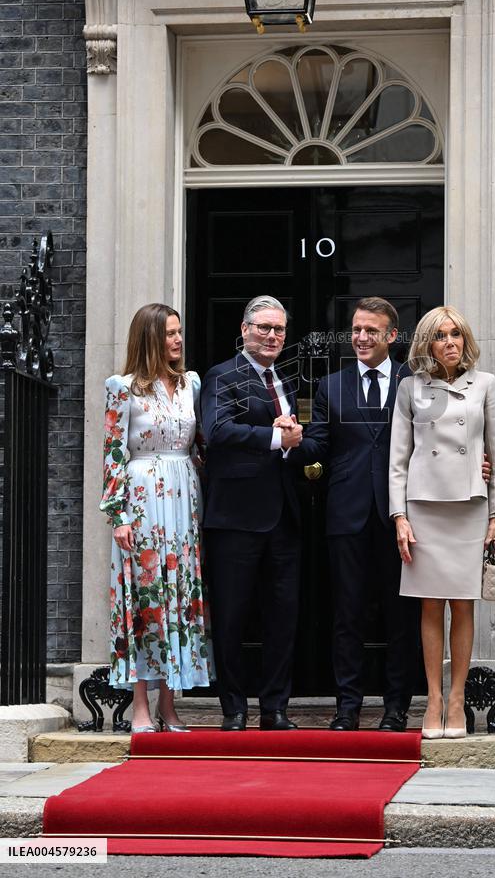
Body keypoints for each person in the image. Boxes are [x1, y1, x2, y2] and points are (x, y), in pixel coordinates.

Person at [288, 297, 490, 732]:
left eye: (371, 331)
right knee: (347, 613)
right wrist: (291, 440)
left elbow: (450, 434)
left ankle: (397, 707)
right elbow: (318, 445)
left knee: (403, 616)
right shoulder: (331, 386)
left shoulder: (417, 380)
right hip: (347, 512)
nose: (361, 337)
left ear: (391, 336)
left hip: (411, 513)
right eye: (357, 329)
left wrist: (477, 463)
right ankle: (348, 706)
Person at [388, 306, 495, 739]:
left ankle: (456, 699)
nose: (451, 342)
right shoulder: (410, 388)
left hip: (470, 504)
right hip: (424, 504)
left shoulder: (486, 385)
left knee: (463, 602)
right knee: (429, 603)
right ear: (427, 344)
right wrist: (399, 516)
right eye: (441, 336)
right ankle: (433, 699)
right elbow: (397, 458)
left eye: (456, 333)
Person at [101, 303, 212, 733]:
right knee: (146, 599)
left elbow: (199, 442)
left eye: (179, 332)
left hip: (183, 496)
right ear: (150, 338)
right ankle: (141, 707)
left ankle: (171, 705)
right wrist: (119, 515)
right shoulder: (123, 387)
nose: (178, 340)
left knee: (179, 597)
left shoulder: (191, 384)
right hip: (143, 496)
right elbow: (113, 453)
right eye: (169, 333)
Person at [201, 295, 303, 731]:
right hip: (235, 517)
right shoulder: (222, 376)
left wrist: (300, 442)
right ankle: (234, 708)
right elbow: (216, 430)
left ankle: (275, 707)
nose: (272, 336)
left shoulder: (286, 381)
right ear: (244, 330)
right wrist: (275, 438)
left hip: (284, 514)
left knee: (283, 615)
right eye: (263, 327)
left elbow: (297, 439)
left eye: (278, 329)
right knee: (232, 616)